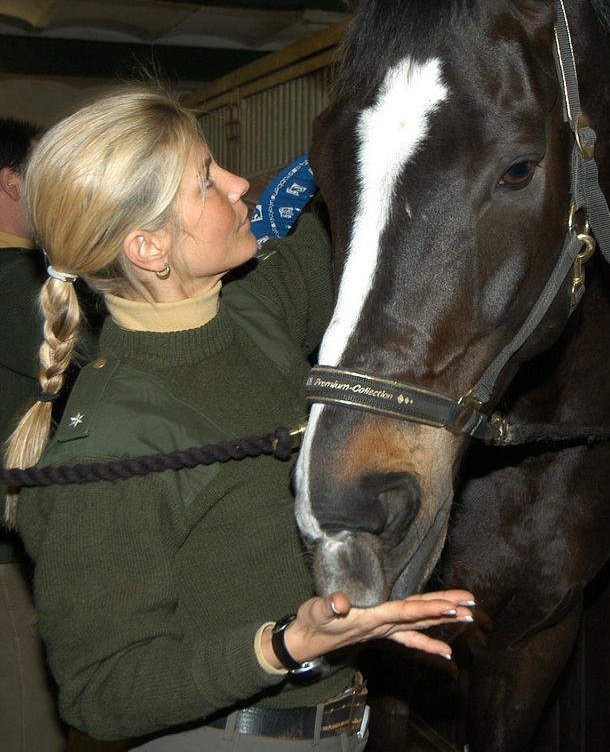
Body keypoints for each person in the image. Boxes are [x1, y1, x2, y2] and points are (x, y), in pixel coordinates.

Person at [3, 85, 475, 751]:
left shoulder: (257, 306)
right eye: (204, 180)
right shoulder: (107, 447)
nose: (236, 183)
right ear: (147, 249)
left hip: (343, 728)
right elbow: (101, 690)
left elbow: (363, 207)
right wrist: (283, 645)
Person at [0, 116, 68, 752]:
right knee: (29, 723)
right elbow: (90, 369)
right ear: (13, 183)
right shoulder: (17, 279)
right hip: (9, 554)